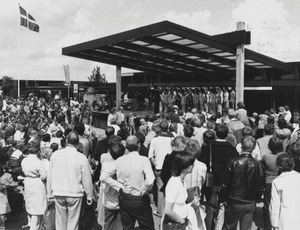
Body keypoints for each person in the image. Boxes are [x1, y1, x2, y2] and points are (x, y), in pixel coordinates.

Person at [102, 135, 155, 230]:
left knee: (127, 226)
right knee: (147, 226)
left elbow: (104, 176)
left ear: (126, 146)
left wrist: (119, 186)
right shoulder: (144, 160)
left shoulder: (120, 160)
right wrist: (144, 190)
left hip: (125, 197)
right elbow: (150, 180)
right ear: (139, 145)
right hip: (140, 198)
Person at [47, 132, 93, 230]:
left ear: (66, 141)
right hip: (75, 193)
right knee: (73, 223)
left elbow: (49, 175)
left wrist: (49, 192)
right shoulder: (81, 157)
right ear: (78, 143)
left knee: (60, 222)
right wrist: (89, 195)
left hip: (58, 192)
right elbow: (86, 178)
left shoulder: (55, 155)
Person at [222, 136, 264, 230]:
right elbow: (261, 186)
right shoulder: (258, 164)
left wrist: (223, 198)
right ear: (253, 149)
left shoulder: (233, 161)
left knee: (229, 226)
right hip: (249, 202)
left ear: (241, 147)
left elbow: (225, 183)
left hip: (234, 201)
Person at [163, 151, 195, 230]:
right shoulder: (174, 183)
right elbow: (168, 210)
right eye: (191, 164)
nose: (193, 166)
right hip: (175, 225)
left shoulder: (182, 181)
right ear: (185, 166)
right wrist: (181, 221)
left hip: (179, 223)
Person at [21, 138, 47, 230]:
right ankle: (34, 227)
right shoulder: (38, 162)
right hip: (37, 184)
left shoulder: (24, 160)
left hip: (28, 183)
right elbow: (43, 175)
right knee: (37, 207)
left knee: (30, 205)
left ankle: (33, 224)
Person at [269, 152, 300, 230]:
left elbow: (275, 204)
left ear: (279, 166)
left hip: (285, 219)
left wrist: (274, 223)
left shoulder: (277, 181)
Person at [100, 143, 125, 230]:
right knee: (121, 224)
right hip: (121, 200)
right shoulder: (124, 166)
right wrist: (121, 187)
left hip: (108, 199)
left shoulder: (105, 165)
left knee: (108, 223)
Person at [261, 136, 283, 230]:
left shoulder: (266, 157)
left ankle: (267, 226)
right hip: (281, 182)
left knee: (267, 205)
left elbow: (262, 170)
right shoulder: (283, 156)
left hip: (268, 182)